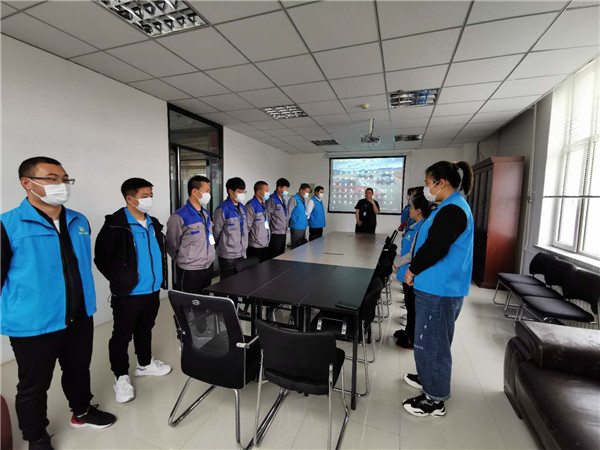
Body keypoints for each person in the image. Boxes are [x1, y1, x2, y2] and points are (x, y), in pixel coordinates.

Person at [1, 157, 116, 450]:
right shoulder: (7, 224)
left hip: (79, 315)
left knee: (78, 369)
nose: (61, 184)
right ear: (27, 183)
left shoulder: (79, 220)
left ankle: (82, 411)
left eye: (65, 179)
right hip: (33, 322)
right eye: (52, 178)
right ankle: (36, 437)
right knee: (34, 385)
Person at [402, 161, 474, 418]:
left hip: (440, 289)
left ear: (440, 183)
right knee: (429, 340)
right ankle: (428, 378)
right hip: (437, 286)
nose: (426, 188)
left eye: (427, 182)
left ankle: (434, 399)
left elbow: (435, 248)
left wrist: (412, 270)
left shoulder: (453, 209)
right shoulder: (448, 206)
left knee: (433, 344)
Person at [95, 178, 171, 404]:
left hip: (152, 289)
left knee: (145, 328)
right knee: (121, 335)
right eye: (145, 195)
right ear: (130, 199)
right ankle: (120, 377)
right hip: (128, 294)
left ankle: (145, 364)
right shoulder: (115, 226)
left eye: (151, 195)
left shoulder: (153, 223)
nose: (150, 199)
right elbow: (102, 259)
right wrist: (122, 280)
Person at [392, 190, 432, 349]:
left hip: (411, 273)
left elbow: (413, 253)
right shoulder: (415, 225)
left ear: (419, 210)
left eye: (412, 207)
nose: (409, 210)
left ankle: (411, 338)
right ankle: (408, 331)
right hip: (406, 272)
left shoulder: (422, 227)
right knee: (410, 306)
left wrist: (398, 263)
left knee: (413, 307)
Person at [166, 175, 215, 294]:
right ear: (194, 191)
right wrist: (184, 258)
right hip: (190, 270)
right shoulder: (179, 216)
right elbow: (172, 244)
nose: (209, 194)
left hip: (207, 266)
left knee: (204, 301)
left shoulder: (205, 213)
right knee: (188, 303)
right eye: (206, 191)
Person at [213, 177, 248, 279]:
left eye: (243, 192)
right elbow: (216, 232)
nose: (242, 194)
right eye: (239, 192)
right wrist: (220, 247)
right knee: (227, 283)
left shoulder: (242, 207)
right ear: (230, 191)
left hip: (241, 252)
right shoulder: (222, 209)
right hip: (228, 255)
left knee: (239, 281)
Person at [246, 181, 271, 262]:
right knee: (255, 269)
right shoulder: (251, 205)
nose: (268, 193)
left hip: (265, 244)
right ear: (259, 192)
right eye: (266, 191)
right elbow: (247, 227)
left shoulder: (263, 204)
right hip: (255, 247)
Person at [266, 177, 290, 258]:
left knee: (281, 255)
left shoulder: (283, 200)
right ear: (279, 188)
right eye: (286, 188)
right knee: (274, 256)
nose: (287, 190)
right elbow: (267, 216)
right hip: (275, 233)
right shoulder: (272, 199)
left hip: (283, 232)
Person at [288, 183, 311, 249]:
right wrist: (287, 225)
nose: (307, 194)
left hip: (302, 226)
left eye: (308, 192)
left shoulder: (302, 199)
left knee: (301, 246)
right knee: (296, 246)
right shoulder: (294, 199)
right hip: (296, 226)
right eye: (306, 192)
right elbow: (289, 213)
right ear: (301, 190)